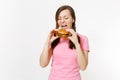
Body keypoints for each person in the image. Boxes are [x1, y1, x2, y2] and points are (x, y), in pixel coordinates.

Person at [40, 5, 90, 80]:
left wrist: (76, 43)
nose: (62, 21)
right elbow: (43, 64)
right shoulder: (54, 38)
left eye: (66, 18)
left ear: (73, 19)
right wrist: (47, 42)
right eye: (59, 18)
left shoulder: (83, 39)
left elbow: (83, 67)